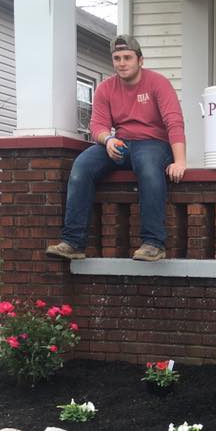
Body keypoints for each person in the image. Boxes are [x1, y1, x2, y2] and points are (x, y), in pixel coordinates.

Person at [47, 35, 187, 262]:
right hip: (120, 142)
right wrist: (108, 140)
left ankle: (154, 243)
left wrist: (180, 161)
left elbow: (174, 121)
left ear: (140, 60)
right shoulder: (105, 88)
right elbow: (98, 125)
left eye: (127, 57)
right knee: (81, 167)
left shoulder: (158, 82)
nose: (122, 63)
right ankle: (73, 242)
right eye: (117, 58)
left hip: (154, 144)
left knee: (148, 167)